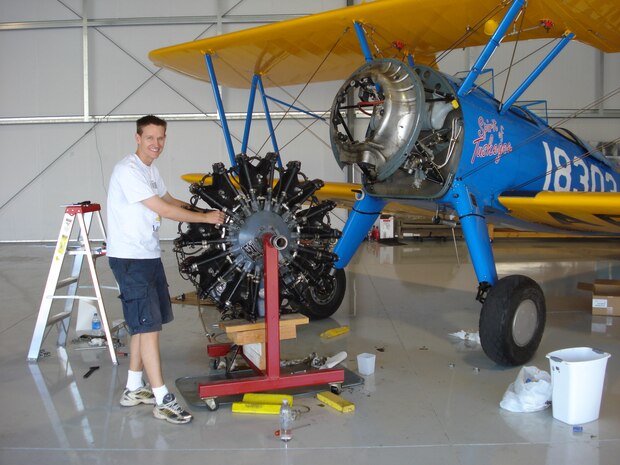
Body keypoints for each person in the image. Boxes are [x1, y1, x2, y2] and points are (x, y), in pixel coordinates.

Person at [107, 115, 225, 424]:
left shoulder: (150, 170)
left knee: (142, 324)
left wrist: (205, 210)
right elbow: (160, 208)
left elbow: (169, 198)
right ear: (137, 137)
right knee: (148, 328)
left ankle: (133, 388)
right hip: (130, 259)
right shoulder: (128, 170)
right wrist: (205, 220)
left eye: (161, 138)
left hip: (146, 254)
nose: (156, 144)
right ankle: (162, 397)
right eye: (150, 138)